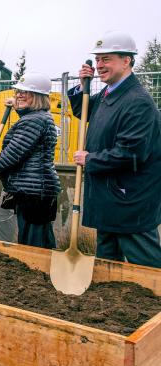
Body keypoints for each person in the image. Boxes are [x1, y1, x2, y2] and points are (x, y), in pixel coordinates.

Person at [70, 31, 161, 267]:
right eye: (98, 60)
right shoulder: (110, 94)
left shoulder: (137, 101)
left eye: (106, 59)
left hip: (129, 200)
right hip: (109, 198)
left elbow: (132, 152)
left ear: (127, 60)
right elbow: (85, 112)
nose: (100, 65)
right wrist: (83, 88)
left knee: (146, 264)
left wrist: (90, 160)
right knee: (107, 264)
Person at [0, 72, 60, 248]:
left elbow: (12, 154)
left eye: (26, 92)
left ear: (38, 96)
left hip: (34, 192)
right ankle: (45, 272)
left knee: (32, 244)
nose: (19, 95)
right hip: (37, 190)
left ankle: (35, 273)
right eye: (17, 92)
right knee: (41, 240)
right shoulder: (39, 117)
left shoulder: (34, 121)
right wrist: (16, 106)